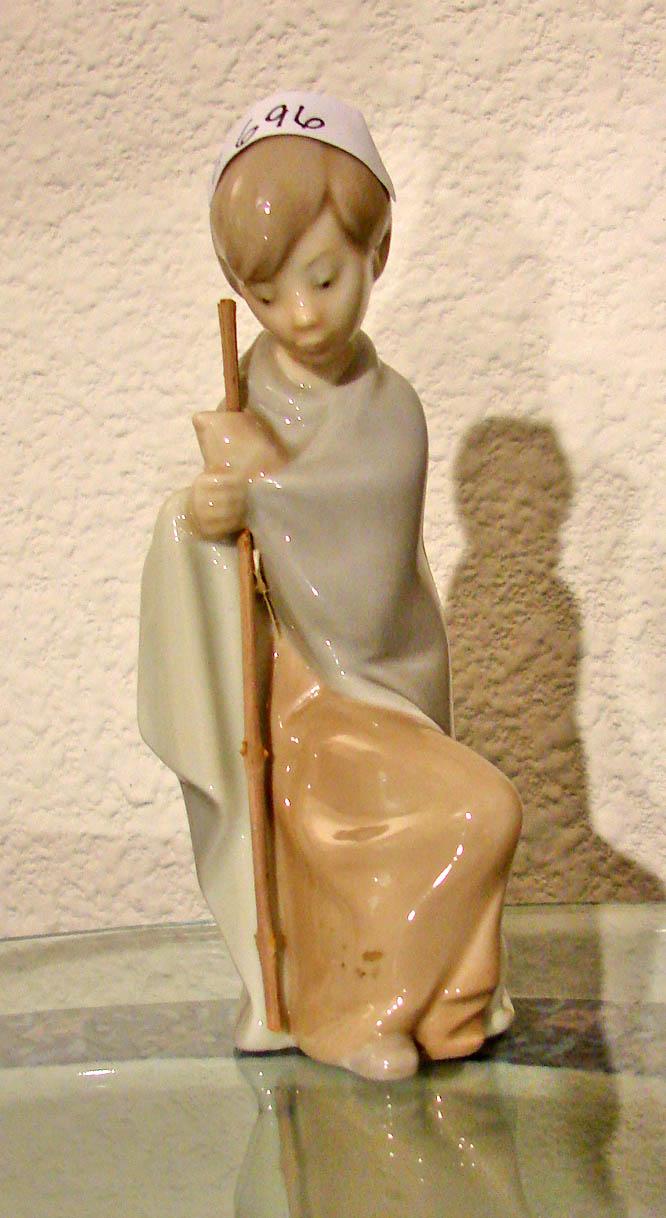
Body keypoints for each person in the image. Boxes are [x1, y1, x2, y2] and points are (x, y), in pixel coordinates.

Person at [139, 94, 521, 1080]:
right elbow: (225, 559)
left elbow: (365, 574)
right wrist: (202, 520)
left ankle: (424, 1007)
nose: (302, 316)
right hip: (294, 703)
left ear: (376, 252)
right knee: (461, 816)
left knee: (475, 811)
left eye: (323, 277)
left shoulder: (391, 411)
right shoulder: (247, 399)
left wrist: (257, 491)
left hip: (372, 685)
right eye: (267, 296)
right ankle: (349, 1012)